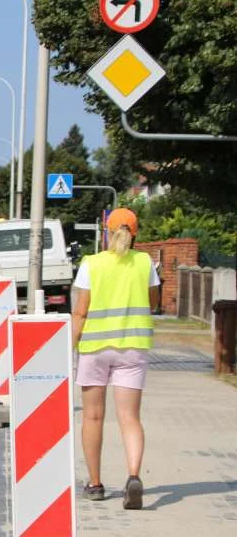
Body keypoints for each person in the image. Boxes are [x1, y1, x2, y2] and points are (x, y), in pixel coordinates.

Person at [71, 208, 160, 509]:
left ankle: (95, 484)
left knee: (94, 417)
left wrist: (70, 347)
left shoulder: (91, 264)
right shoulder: (145, 262)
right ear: (135, 234)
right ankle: (133, 476)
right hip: (133, 349)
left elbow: (81, 311)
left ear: (106, 232)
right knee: (130, 418)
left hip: (95, 348)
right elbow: (153, 304)